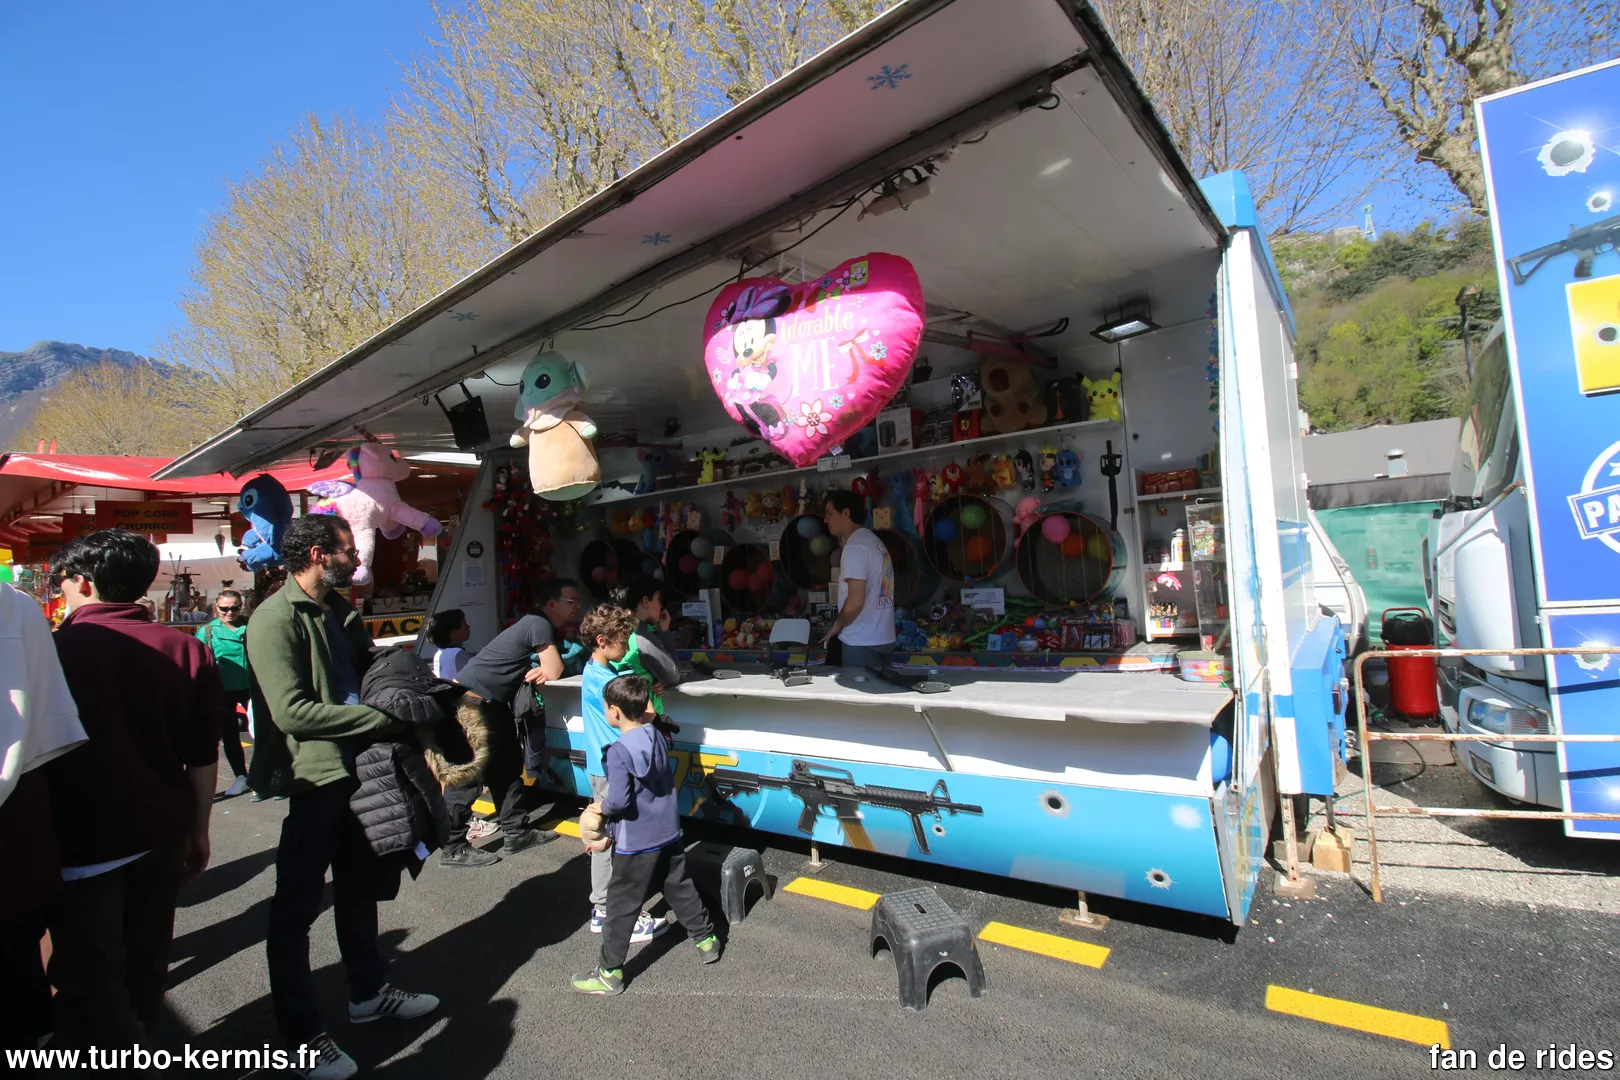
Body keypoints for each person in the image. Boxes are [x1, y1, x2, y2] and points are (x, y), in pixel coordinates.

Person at [249, 514, 438, 1080]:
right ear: (316, 553)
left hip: (362, 770)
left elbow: (365, 671)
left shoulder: (340, 610)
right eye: (347, 550)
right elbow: (292, 713)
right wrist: (379, 721)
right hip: (316, 780)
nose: (356, 558)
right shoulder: (274, 619)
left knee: (359, 890)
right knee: (295, 912)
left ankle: (368, 993)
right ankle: (301, 1038)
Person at [43, 530, 220, 1050]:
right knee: (146, 963)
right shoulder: (188, 650)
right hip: (162, 832)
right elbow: (202, 756)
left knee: (87, 977)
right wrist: (199, 832)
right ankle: (140, 1046)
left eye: (62, 581)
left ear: (82, 582)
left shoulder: (53, 651)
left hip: (78, 843)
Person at [572, 674, 718, 995]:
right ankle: (706, 939)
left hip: (635, 841)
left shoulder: (618, 751)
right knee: (679, 887)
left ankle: (610, 973)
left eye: (606, 708)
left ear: (614, 712)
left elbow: (619, 801)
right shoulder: (657, 736)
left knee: (621, 905)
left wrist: (600, 807)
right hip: (667, 832)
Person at [439, 579, 581, 868]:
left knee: (506, 768)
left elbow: (548, 669)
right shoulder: (538, 623)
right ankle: (452, 847)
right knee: (468, 777)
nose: (577, 607)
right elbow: (554, 669)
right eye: (571, 602)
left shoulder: (537, 625)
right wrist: (545, 669)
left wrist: (541, 669)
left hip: (492, 704)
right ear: (552, 604)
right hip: (474, 704)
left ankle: (516, 832)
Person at [0, 579, 85, 1052]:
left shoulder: (19, 607)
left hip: (20, 809)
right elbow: (53, 728)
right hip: (22, 802)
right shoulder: (18, 606)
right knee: (20, 947)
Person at [581, 605, 668, 941]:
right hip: (613, 767)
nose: (628, 643)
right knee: (612, 840)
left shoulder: (596, 671)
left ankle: (606, 906)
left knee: (609, 836)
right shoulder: (607, 681)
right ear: (602, 641)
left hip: (604, 764)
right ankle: (608, 909)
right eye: (622, 639)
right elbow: (643, 716)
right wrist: (647, 699)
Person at [820, 488, 897, 668]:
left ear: (846, 513)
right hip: (884, 637)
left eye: (829, 513)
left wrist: (837, 625)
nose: (825, 520)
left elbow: (856, 601)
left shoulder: (854, 547)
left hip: (861, 641)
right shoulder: (873, 541)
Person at [197, 588, 252, 797]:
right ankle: (241, 776)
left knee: (264, 732)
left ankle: (267, 774)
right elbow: (200, 663)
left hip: (252, 687)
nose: (229, 612)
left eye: (234, 608)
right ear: (216, 608)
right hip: (222, 690)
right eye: (224, 608)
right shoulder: (207, 631)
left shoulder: (252, 626)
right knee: (229, 734)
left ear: (241, 607)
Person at [608, 576, 683, 712]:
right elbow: (673, 675)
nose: (661, 606)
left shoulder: (613, 632)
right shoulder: (643, 638)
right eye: (659, 600)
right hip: (646, 715)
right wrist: (665, 633)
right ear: (646, 601)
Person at [426, 608, 471, 681]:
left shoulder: (438, 653)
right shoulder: (458, 654)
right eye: (465, 625)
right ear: (454, 633)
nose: (468, 626)